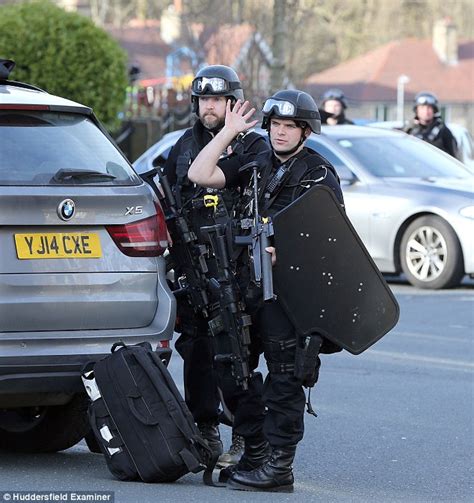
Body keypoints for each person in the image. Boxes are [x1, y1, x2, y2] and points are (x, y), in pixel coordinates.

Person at [188, 90, 344, 492]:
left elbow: (330, 237)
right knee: (231, 366)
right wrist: (227, 133)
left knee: (284, 377)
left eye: (289, 126)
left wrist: (285, 250)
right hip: (245, 287)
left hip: (287, 292)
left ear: (305, 131)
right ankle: (255, 449)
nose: (280, 132)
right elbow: (200, 175)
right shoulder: (256, 161)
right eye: (275, 124)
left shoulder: (318, 173)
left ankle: (279, 466)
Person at [161, 64, 267, 464]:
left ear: (232, 103)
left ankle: (246, 431)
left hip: (237, 261)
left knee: (242, 346)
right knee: (198, 347)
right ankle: (205, 427)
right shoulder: (183, 146)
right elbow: (170, 202)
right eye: (204, 99)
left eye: (218, 100)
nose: (210, 107)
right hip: (195, 260)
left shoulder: (252, 146)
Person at [404, 92, 457, 158]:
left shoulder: (443, 131)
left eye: (429, 108)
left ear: (434, 110)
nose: (426, 111)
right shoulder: (408, 130)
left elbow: (453, 157)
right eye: (422, 108)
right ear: (417, 110)